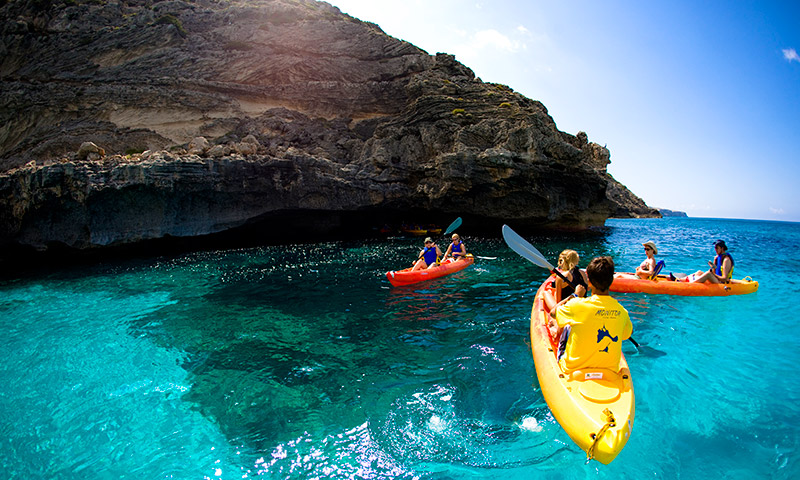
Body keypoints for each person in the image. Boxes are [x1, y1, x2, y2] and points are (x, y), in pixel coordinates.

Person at [549, 256, 633, 373]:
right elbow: (626, 334)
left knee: (568, 326)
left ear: (589, 282)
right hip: (609, 370)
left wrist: (575, 295)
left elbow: (553, 313)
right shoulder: (622, 311)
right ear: (611, 280)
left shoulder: (576, 305)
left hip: (573, 368)